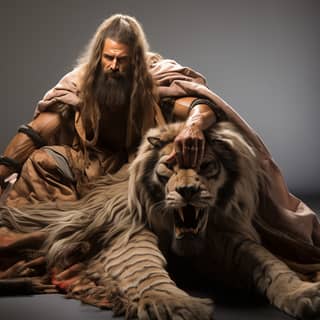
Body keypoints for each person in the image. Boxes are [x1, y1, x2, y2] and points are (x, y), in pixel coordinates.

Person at [0, 14, 319, 249]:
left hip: (129, 178)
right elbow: (38, 130)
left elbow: (199, 105)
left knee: (156, 185)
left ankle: (85, 238)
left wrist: (193, 126)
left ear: (135, 62)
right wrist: (3, 169)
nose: (113, 67)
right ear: (99, 57)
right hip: (85, 169)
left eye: (121, 61)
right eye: (108, 59)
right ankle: (62, 233)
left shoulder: (153, 87)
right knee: (41, 161)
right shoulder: (80, 87)